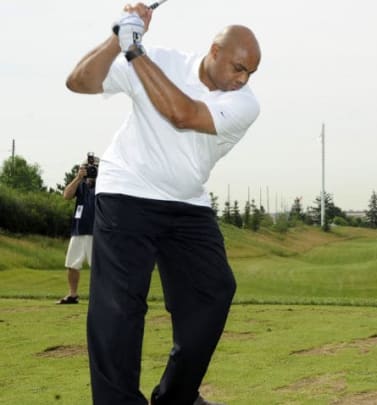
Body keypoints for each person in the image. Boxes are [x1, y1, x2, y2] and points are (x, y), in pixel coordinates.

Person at [65, 3, 261, 404]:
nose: (242, 79)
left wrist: (135, 50)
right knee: (118, 308)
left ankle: (176, 397)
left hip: (187, 202)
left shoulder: (245, 104)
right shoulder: (164, 61)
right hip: (126, 192)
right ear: (214, 51)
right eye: (238, 67)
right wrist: (118, 36)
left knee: (214, 292)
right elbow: (78, 82)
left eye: (250, 73)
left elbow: (183, 114)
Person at [57, 161, 97, 305]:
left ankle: (101, 296)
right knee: (72, 264)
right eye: (87, 168)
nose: (90, 170)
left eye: (93, 168)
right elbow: (66, 195)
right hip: (79, 229)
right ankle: (72, 295)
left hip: (97, 231)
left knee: (99, 267)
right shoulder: (80, 184)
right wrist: (78, 177)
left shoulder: (103, 184)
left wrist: (99, 176)